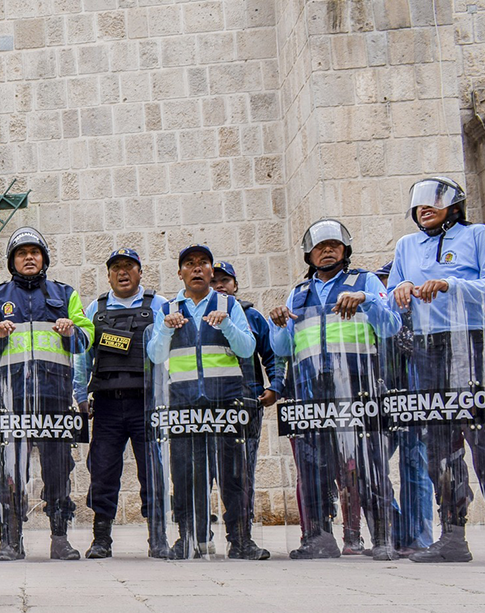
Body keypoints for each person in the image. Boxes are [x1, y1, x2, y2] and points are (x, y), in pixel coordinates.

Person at [387, 177, 485, 565]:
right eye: (418, 202)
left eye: (433, 200)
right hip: (427, 346)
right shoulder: (407, 246)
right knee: (439, 444)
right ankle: (453, 534)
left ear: (454, 205)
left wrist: (452, 286)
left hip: (470, 341)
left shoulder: (478, 236)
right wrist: (400, 289)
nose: (424, 207)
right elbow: (390, 299)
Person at [267, 221, 399, 561]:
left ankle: (383, 536)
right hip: (312, 392)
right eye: (320, 246)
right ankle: (318, 537)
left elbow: (390, 326)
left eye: (334, 245)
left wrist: (367, 301)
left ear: (345, 250)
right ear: (309, 254)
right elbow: (282, 349)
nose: (327, 250)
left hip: (358, 388)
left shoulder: (364, 282)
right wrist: (279, 325)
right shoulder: (298, 293)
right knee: (314, 469)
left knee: (366, 466)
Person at [0, 228, 94, 560]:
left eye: (35, 252)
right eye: (21, 253)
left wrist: (72, 331)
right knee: (10, 472)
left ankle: (60, 537)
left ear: (44, 258)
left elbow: (86, 336)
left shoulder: (65, 293)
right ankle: (10, 539)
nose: (29, 257)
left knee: (59, 471)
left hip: (54, 398)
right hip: (9, 400)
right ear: (13, 261)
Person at [146, 244, 267, 560]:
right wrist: (167, 332)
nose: (197, 268)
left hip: (225, 405)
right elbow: (155, 355)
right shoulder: (169, 307)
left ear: (212, 271)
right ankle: (187, 539)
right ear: (180, 273)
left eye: (203, 263)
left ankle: (241, 540)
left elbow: (247, 348)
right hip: (184, 407)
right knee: (185, 478)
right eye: (190, 263)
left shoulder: (228, 303)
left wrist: (226, 323)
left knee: (233, 477)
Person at [79, 248, 168, 559]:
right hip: (106, 404)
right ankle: (101, 538)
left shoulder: (159, 305)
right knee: (102, 472)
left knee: (153, 472)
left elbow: (167, 354)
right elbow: (83, 356)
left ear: (140, 272)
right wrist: (79, 395)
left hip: (146, 403)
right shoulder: (95, 308)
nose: (123, 272)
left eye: (129, 267)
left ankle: (158, 537)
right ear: (109, 275)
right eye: (116, 267)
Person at [211, 261, 287, 552]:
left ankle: (241, 537)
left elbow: (273, 355)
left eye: (225, 280)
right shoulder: (198, 314)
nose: (220, 285)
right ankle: (198, 535)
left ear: (236, 285)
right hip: (205, 404)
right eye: (215, 280)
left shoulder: (252, 316)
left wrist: (274, 387)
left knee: (240, 474)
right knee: (201, 472)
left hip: (245, 403)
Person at [374, 260, 434, 556]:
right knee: (370, 468)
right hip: (381, 403)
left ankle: (419, 537)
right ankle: (396, 530)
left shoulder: (416, 317)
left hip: (413, 400)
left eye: (390, 283)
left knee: (416, 468)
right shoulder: (376, 316)